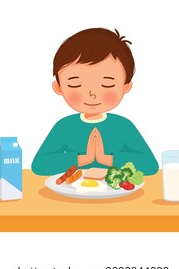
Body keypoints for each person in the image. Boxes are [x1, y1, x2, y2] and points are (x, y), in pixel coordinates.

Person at [32, 28, 158, 175]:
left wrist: (108, 160)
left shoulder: (123, 126)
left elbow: (150, 165)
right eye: (75, 84)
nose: (92, 94)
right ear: (59, 87)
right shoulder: (65, 127)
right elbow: (39, 165)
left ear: (126, 86)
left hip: (117, 192)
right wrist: (81, 160)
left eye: (107, 84)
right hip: (72, 192)